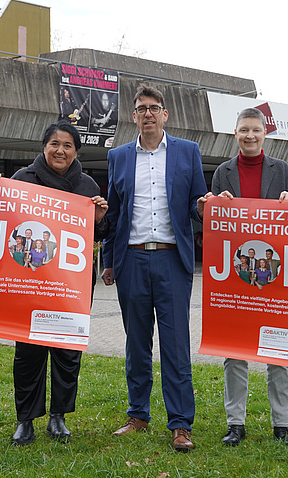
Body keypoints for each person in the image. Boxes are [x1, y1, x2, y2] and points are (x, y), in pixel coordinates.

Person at [102, 84, 207, 452]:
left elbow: (197, 204)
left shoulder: (187, 152)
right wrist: (109, 261)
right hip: (131, 259)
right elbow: (113, 215)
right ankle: (138, 415)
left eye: (155, 108)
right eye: (142, 108)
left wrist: (205, 207)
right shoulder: (117, 157)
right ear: (134, 116)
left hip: (171, 259)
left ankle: (180, 424)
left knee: (176, 343)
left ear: (165, 114)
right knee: (136, 343)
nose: (148, 113)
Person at [0, 121, 109, 446]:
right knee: (28, 352)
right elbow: (6, 226)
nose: (61, 150)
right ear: (44, 147)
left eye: (68, 145)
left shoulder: (87, 186)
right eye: (55, 144)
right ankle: (25, 420)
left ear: (76, 150)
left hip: (71, 287)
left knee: (67, 352)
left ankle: (59, 417)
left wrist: (100, 220)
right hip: (30, 284)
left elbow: (101, 234)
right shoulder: (22, 180)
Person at [196, 107, 288, 448]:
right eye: (244, 130)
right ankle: (235, 423)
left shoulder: (283, 170)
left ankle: (282, 424)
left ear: (264, 133)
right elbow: (212, 228)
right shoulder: (223, 172)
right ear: (236, 133)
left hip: (275, 278)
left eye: (256, 130)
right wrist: (213, 204)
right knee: (233, 352)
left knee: (279, 353)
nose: (250, 136)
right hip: (235, 279)